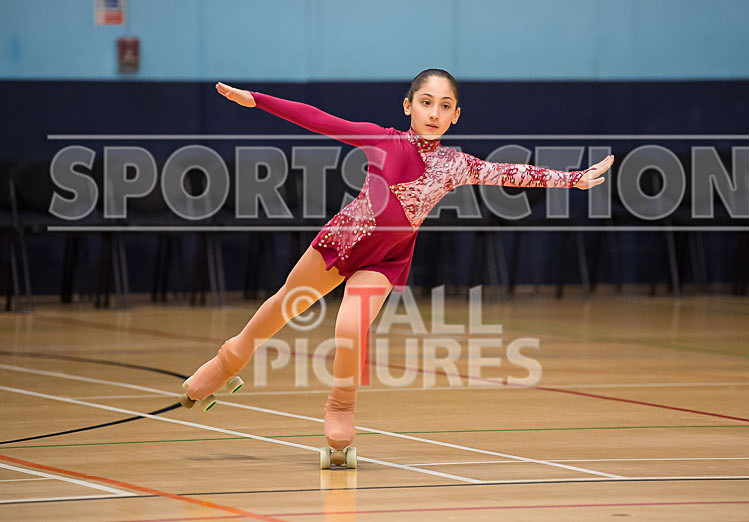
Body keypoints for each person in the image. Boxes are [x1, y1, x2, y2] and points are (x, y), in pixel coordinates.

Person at [182, 69, 612, 459]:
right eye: (426, 102)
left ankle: (340, 405)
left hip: (387, 259)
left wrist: (572, 179)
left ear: (456, 116)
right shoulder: (382, 140)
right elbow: (318, 119)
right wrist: (256, 100)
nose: (434, 113)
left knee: (349, 327)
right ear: (408, 106)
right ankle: (228, 361)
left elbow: (510, 173)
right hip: (344, 240)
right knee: (285, 304)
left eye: (445, 106)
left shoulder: (454, 165)